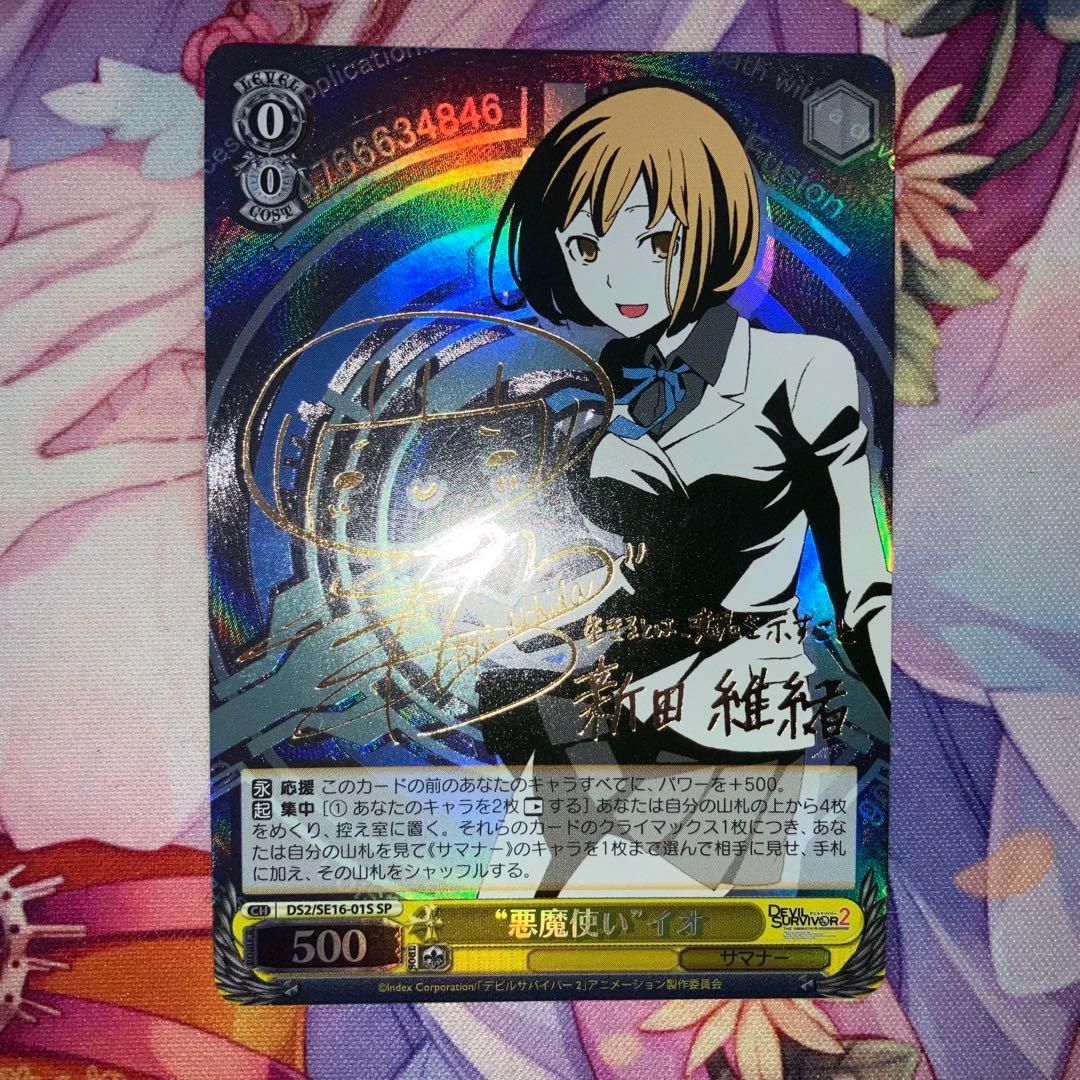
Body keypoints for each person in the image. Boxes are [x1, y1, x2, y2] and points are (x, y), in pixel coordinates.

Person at [482, 83, 891, 892]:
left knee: (676, 933)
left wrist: (897, 731)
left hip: (731, 719)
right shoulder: (592, 393)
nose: (619, 276)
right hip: (597, 710)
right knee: (504, 927)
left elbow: (865, 586)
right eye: (587, 247)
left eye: (657, 239)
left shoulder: (802, 373)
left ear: (712, 228)